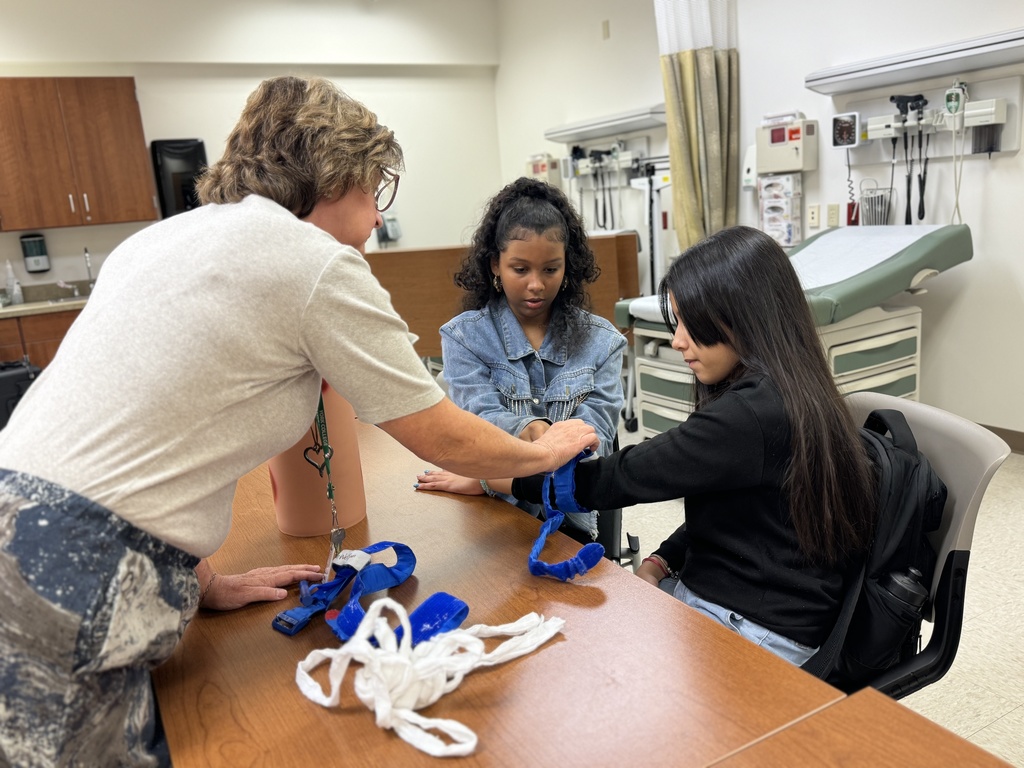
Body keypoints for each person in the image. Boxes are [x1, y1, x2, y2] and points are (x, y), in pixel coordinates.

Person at [0, 76, 597, 767]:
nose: (376, 217)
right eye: (375, 190)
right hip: (70, 573)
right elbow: (435, 430)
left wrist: (200, 578)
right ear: (336, 175)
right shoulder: (313, 266)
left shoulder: (162, 241)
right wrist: (542, 452)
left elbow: (150, 434)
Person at [417, 225, 875, 665]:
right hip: (741, 600)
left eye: (690, 325)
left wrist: (499, 477)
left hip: (755, 626)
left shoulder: (751, 414)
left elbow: (620, 476)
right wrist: (662, 560)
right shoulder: (789, 390)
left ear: (743, 316)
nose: (677, 342)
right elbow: (724, 508)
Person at [427, 177, 626, 539]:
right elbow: (479, 421)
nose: (536, 284)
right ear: (494, 265)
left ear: (568, 268)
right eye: (520, 270)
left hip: (566, 516)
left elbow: (595, 438)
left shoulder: (603, 342)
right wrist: (535, 432)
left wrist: (492, 478)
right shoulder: (463, 337)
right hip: (490, 512)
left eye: (551, 269)